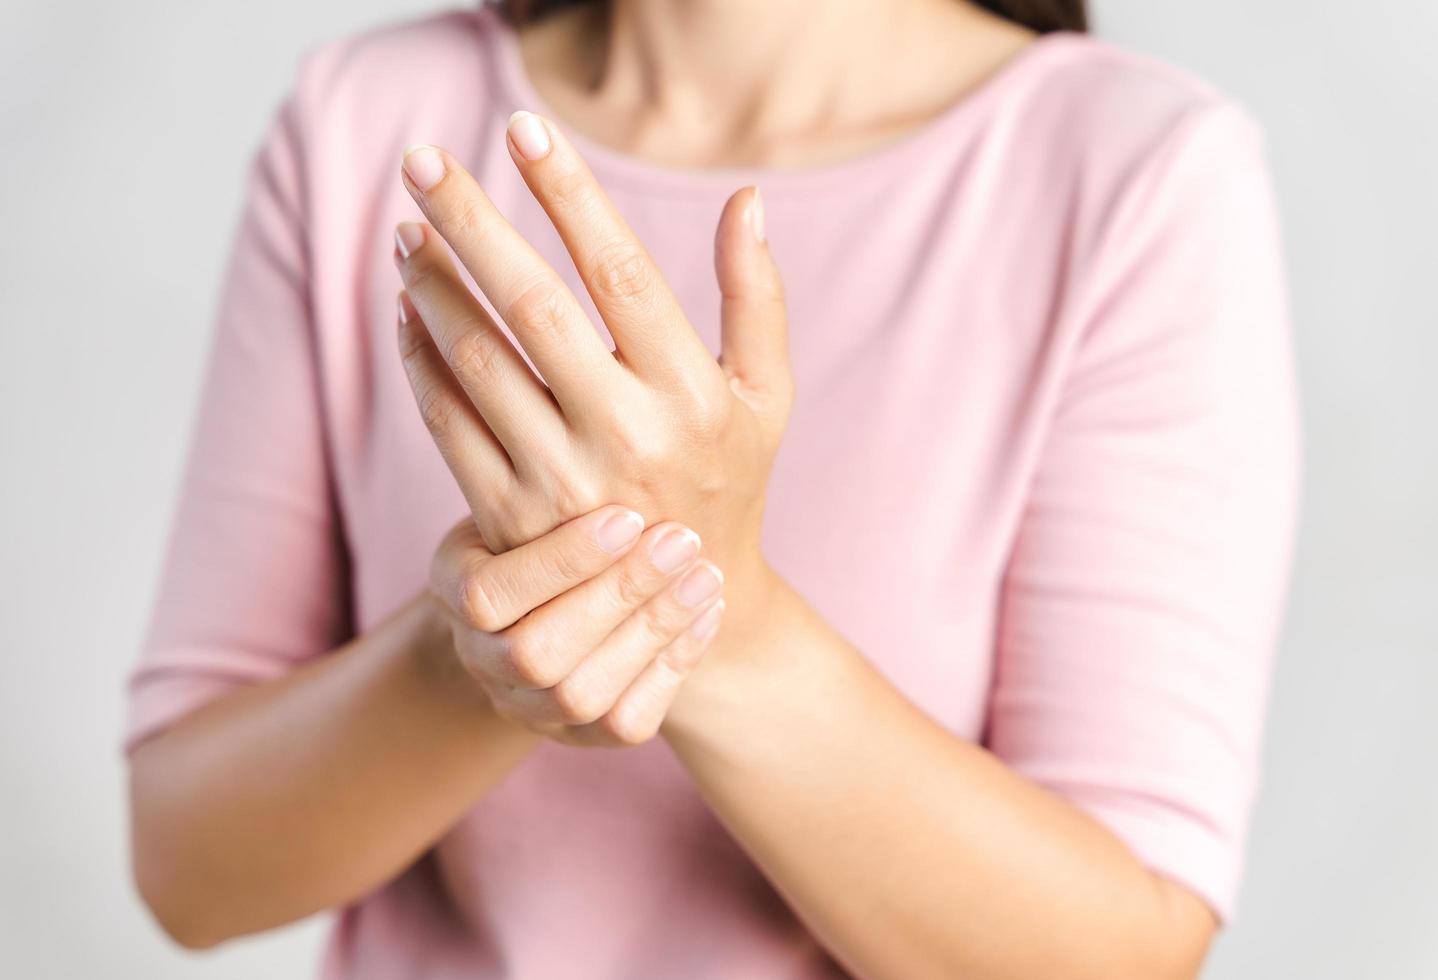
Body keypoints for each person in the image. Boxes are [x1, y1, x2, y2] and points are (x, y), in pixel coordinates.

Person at [125, 1, 1300, 977]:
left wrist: (711, 614)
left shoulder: (1135, 174)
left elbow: (1121, 950)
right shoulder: (362, 120)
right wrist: (482, 649)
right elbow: (188, 859)